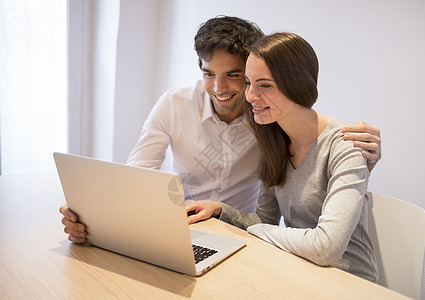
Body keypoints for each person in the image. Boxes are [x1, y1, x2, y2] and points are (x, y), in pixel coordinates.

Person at [59, 16, 381, 244]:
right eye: (209, 74)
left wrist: (365, 154)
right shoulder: (175, 105)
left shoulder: (268, 121)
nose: (220, 88)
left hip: (237, 235)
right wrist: (93, 220)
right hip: (178, 226)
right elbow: (135, 179)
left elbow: (312, 134)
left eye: (235, 75)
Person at [186, 32, 378, 282]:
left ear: (298, 86)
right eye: (248, 82)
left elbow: (326, 248)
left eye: (264, 85)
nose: (250, 96)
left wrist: (258, 230)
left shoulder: (346, 144)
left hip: (349, 282)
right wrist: (221, 210)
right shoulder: (273, 139)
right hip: (299, 270)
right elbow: (265, 219)